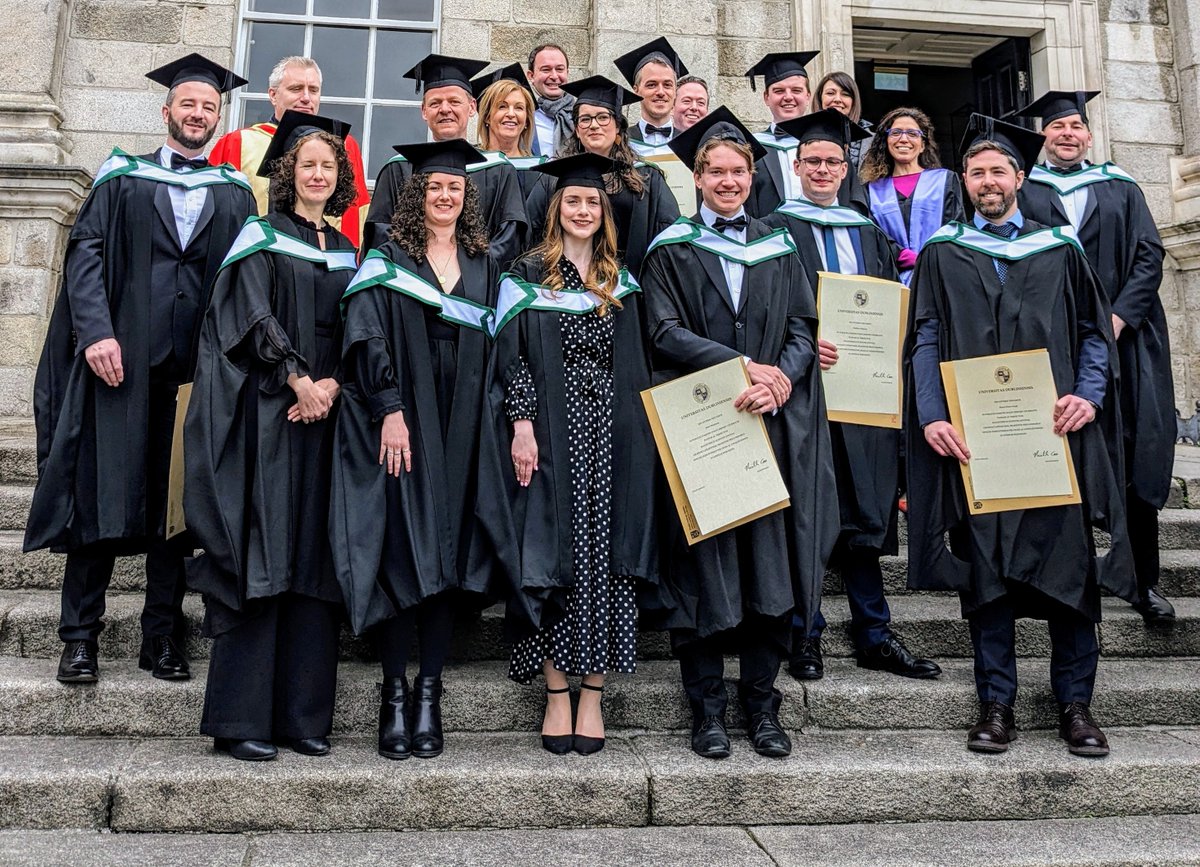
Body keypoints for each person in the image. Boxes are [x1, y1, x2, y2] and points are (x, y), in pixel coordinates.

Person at [905, 114, 1135, 758]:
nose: (987, 181)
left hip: (1052, 433)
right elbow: (924, 337)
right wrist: (932, 414)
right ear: (965, 183)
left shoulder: (1060, 248)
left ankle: (1077, 705)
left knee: (1069, 571)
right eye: (976, 172)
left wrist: (1087, 396)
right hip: (977, 441)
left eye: (998, 171)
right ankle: (995, 704)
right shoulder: (943, 253)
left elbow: (1095, 334)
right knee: (988, 573)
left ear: (1020, 177)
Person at [26, 54, 256, 685]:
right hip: (118, 367)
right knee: (100, 498)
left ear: (219, 115)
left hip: (192, 375)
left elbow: (243, 283)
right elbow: (86, 254)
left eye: (208, 107)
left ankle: (162, 638)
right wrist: (94, 333)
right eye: (189, 104)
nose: (198, 114)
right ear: (167, 111)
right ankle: (79, 639)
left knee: (173, 512)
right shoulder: (121, 177)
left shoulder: (234, 192)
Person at [641, 108, 839, 760]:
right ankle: (706, 708)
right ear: (696, 178)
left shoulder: (781, 244)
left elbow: (804, 329)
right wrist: (737, 368)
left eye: (738, 171)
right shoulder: (671, 249)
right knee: (702, 567)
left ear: (753, 177)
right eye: (716, 171)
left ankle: (761, 701)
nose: (728, 181)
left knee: (770, 566)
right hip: (705, 426)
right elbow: (663, 332)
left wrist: (783, 377)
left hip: (770, 426)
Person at [184, 112, 357, 761]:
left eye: (328, 165)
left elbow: (359, 323)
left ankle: (301, 715)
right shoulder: (260, 234)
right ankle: (240, 718)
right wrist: (296, 377)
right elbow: (248, 312)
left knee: (314, 559)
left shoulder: (347, 248)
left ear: (339, 177)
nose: (318, 172)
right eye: (308, 163)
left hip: (327, 419)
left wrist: (334, 384)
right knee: (263, 551)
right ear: (289, 173)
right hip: (270, 416)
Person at [479, 153, 658, 756]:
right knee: (551, 552)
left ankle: (593, 692)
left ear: (605, 213)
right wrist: (522, 425)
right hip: (551, 432)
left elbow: (636, 361)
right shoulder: (526, 274)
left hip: (612, 431)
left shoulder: (620, 278)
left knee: (604, 558)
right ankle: (557, 690)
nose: (583, 211)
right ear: (555, 209)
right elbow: (512, 358)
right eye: (573, 202)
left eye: (592, 203)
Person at [763, 109, 941, 683]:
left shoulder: (867, 229)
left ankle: (874, 632)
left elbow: (886, 302)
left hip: (864, 392)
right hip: (804, 390)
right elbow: (771, 309)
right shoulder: (772, 230)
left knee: (865, 509)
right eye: (812, 161)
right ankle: (804, 632)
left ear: (846, 168)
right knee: (810, 510)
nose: (822, 169)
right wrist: (807, 341)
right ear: (796, 166)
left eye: (832, 161)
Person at [332, 139, 497, 761]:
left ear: (466, 196)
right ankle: (392, 695)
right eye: (434, 187)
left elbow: (502, 345)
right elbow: (368, 333)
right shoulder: (389, 257)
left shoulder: (483, 264)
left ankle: (429, 693)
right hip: (406, 421)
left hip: (464, 424)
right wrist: (388, 408)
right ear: (416, 195)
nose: (445, 196)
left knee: (447, 558)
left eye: (454, 188)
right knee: (405, 553)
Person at [1013, 90, 1177, 624]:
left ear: (1088, 133)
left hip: (1128, 347)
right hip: (1055, 348)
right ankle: (1062, 577)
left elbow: (1149, 256)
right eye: (1056, 126)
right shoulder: (1027, 190)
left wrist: (1117, 318)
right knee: (1062, 455)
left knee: (1133, 457)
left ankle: (1140, 581)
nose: (1066, 133)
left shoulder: (1121, 188)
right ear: (1043, 137)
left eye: (1075, 125)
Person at [364, 53, 527, 269]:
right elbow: (382, 233)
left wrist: (473, 275)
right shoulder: (398, 168)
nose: (445, 109)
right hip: (411, 286)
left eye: (454, 101)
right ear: (424, 111)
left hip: (479, 292)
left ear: (471, 107)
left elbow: (509, 237)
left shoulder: (500, 170)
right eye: (435, 103)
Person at [523, 76, 680, 279]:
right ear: (577, 130)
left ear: (617, 127)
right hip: (566, 288)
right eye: (585, 119)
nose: (594, 125)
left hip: (632, 286)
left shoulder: (647, 178)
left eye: (603, 117)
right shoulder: (554, 177)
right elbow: (532, 233)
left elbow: (668, 237)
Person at [209, 56, 370, 249]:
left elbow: (355, 216)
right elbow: (218, 217)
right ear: (273, 95)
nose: (306, 98)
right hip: (258, 260)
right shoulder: (237, 143)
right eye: (296, 89)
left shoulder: (343, 146)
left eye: (313, 90)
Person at [860, 107, 965, 286]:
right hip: (890, 280)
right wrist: (901, 255)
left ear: (923, 144)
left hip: (938, 277)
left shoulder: (944, 180)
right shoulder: (871, 190)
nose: (904, 138)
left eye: (912, 133)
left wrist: (929, 259)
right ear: (886, 141)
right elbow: (871, 235)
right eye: (896, 132)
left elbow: (955, 228)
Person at [743, 51, 819, 218]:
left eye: (796, 90)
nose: (788, 97)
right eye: (779, 91)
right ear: (766, 98)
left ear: (807, 97)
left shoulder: (827, 148)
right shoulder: (752, 149)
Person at [472, 63, 547, 196]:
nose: (511, 114)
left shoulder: (540, 171)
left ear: (526, 120)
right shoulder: (472, 163)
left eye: (519, 108)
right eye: (502, 106)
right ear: (487, 117)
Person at [811, 70, 873, 214]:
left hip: (861, 214)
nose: (838, 99)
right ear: (820, 99)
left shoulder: (872, 142)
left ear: (853, 101)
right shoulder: (805, 139)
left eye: (845, 94)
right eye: (831, 93)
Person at [614, 37, 687, 148]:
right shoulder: (620, 142)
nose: (661, 92)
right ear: (636, 91)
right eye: (651, 85)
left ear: (675, 91)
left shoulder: (689, 144)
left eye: (667, 85)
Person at [527, 43, 574, 157]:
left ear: (567, 73)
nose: (554, 76)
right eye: (546, 69)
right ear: (531, 76)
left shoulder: (582, 116)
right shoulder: (524, 118)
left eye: (559, 69)